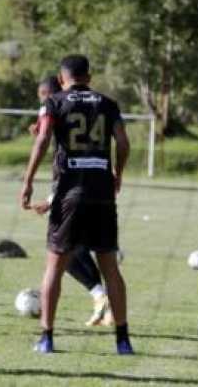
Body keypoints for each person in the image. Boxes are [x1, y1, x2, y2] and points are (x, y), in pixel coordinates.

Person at [20, 55, 133, 354]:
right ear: (89, 76)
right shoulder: (108, 103)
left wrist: (28, 180)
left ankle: (47, 338)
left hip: (70, 193)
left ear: (61, 78)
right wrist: (117, 174)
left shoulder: (54, 102)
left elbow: (43, 138)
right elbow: (123, 143)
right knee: (110, 267)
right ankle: (123, 341)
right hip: (102, 193)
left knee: (55, 266)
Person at [30, 75, 113, 327]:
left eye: (42, 97)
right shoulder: (84, 107)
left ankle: (100, 298)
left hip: (75, 191)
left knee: (65, 251)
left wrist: (51, 198)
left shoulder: (57, 106)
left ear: (49, 93)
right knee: (78, 249)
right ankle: (103, 300)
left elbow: (73, 161)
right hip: (96, 188)